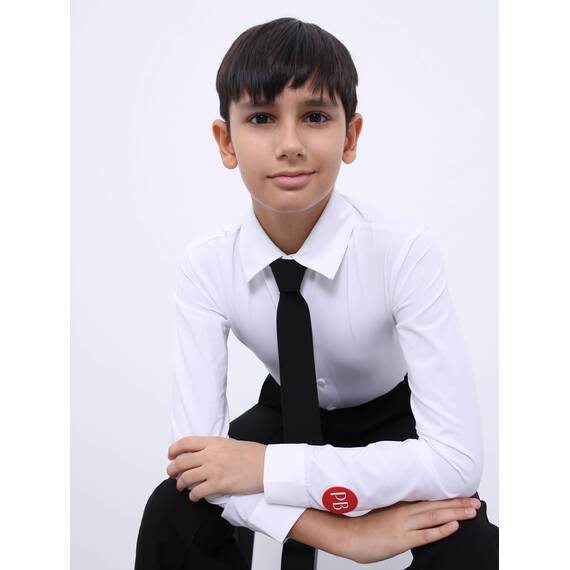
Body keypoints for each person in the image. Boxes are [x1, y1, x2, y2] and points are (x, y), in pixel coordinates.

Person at [134, 16, 499, 569]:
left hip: (390, 419)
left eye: (315, 117)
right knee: (174, 508)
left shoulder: (403, 251)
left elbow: (455, 460)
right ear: (226, 142)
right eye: (261, 118)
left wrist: (267, 470)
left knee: (464, 535)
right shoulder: (207, 264)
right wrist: (343, 534)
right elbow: (195, 459)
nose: (289, 145)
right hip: (284, 411)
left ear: (349, 137)